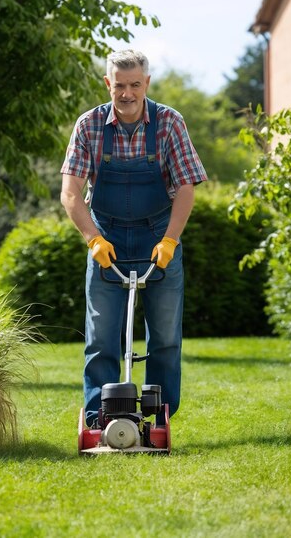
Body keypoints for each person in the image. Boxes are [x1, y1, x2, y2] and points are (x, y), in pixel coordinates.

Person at [60, 49, 207, 427]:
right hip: (107, 239)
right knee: (101, 338)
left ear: (147, 84)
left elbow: (186, 187)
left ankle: (159, 418)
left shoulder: (169, 123)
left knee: (165, 338)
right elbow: (71, 193)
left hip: (158, 238)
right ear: (108, 84)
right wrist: (93, 239)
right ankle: (101, 419)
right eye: (119, 86)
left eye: (134, 85)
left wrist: (170, 241)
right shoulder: (89, 125)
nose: (126, 93)